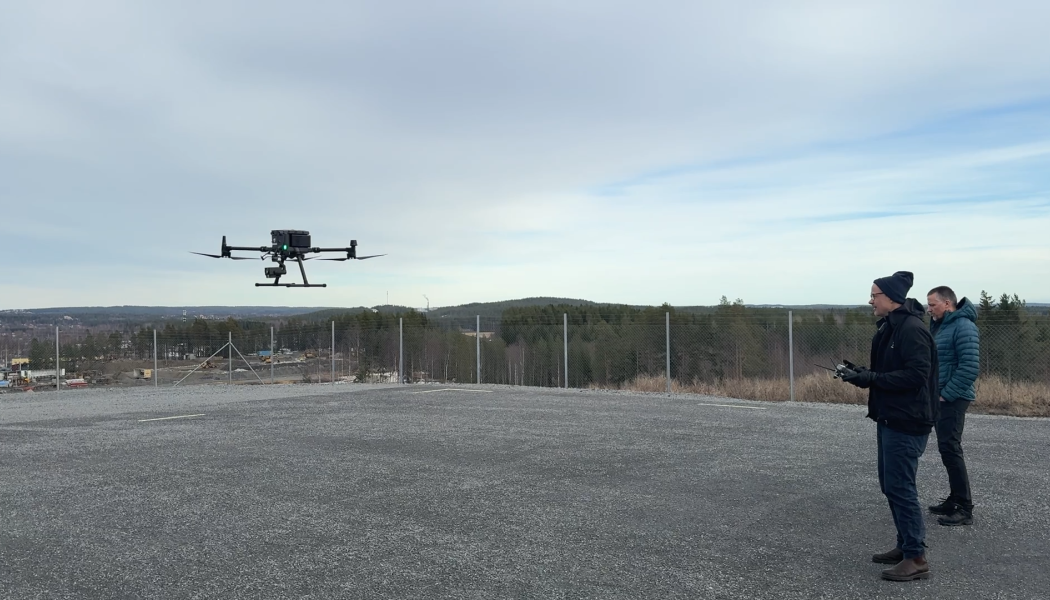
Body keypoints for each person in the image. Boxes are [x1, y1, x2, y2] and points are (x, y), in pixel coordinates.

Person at [840, 271, 939, 582]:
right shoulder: (891, 327)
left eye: (875, 295)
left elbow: (916, 376)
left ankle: (916, 557)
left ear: (892, 298)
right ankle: (905, 546)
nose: (870, 301)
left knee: (901, 487)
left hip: (907, 420)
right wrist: (862, 374)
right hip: (889, 417)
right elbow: (890, 372)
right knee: (891, 485)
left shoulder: (911, 330)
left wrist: (872, 378)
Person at [926, 286, 980, 526]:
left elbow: (969, 367)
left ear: (947, 303)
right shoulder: (941, 326)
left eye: (932, 305)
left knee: (951, 448)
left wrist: (945, 395)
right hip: (941, 396)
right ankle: (954, 498)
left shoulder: (964, 326)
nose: (929, 309)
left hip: (953, 398)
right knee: (946, 448)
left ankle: (964, 508)